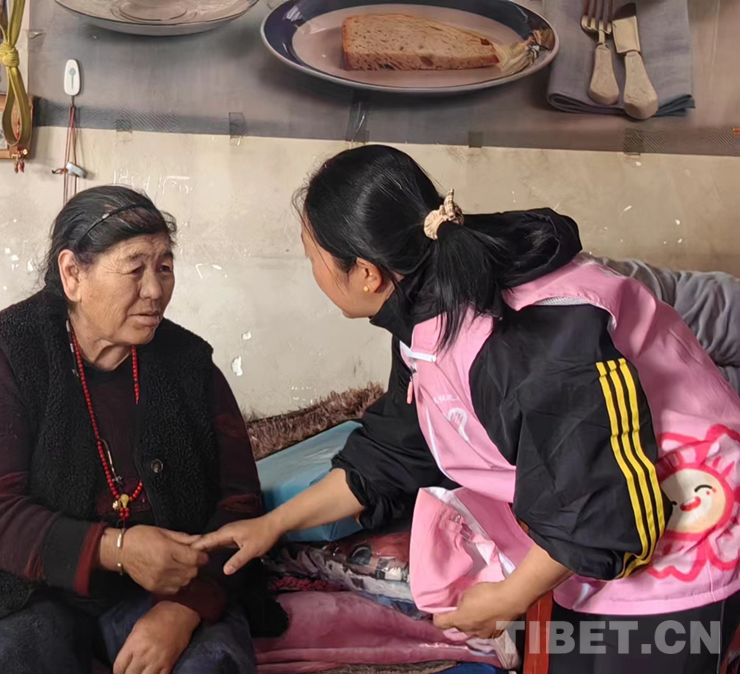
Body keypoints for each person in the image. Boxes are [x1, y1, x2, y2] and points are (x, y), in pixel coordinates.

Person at [195, 145, 740, 673]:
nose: (311, 270)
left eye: (311, 256)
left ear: (365, 273)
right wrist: (272, 525)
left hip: (686, 525)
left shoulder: (523, 339)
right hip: (598, 531)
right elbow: (393, 452)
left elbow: (596, 501)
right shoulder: (424, 319)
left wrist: (508, 596)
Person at [0, 186, 283, 674]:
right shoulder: (12, 350)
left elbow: (239, 503)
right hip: (25, 586)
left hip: (163, 588)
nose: (155, 290)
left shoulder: (190, 364)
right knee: (10, 659)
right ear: (72, 274)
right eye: (134, 268)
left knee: (212, 665)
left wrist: (182, 610)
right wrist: (118, 550)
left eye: (164, 267)